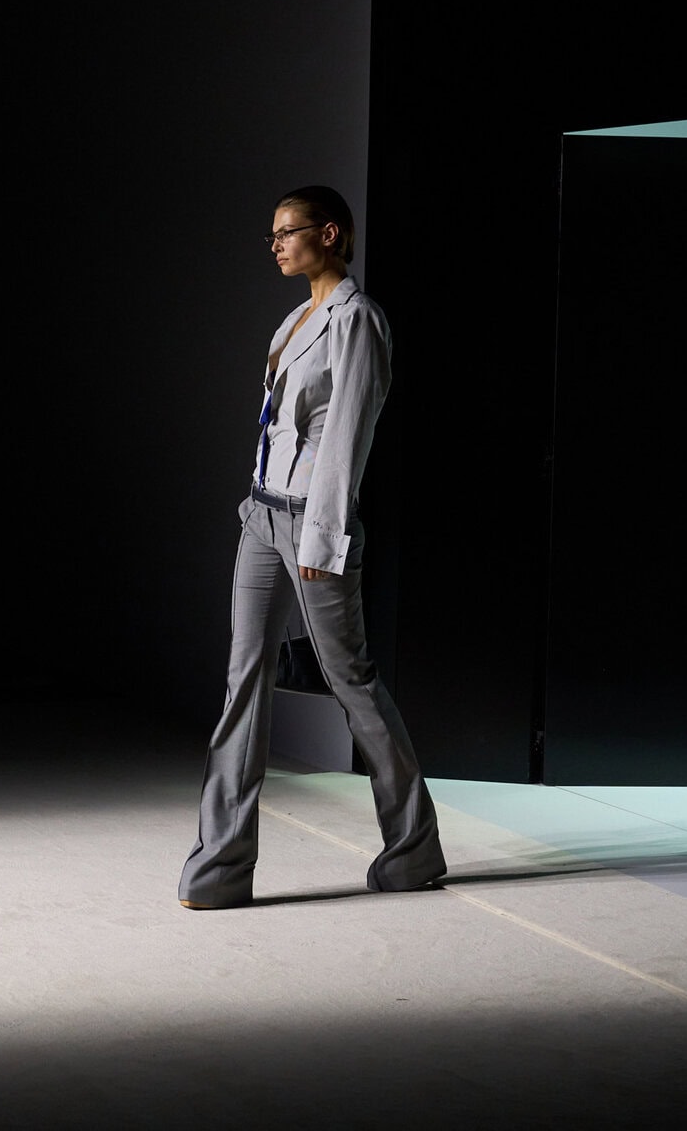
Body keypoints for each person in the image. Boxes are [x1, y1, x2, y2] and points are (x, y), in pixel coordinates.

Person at [178, 185, 448, 909]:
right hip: (262, 515)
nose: (276, 245)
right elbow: (278, 428)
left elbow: (347, 437)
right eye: (271, 235)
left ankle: (414, 847)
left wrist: (323, 539)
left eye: (287, 232)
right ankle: (220, 867)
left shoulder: (357, 320)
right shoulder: (295, 318)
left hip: (312, 523)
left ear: (329, 234)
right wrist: (256, 506)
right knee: (243, 682)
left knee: (349, 678)